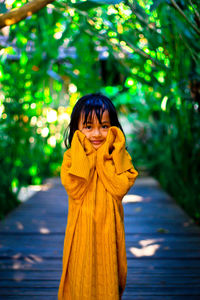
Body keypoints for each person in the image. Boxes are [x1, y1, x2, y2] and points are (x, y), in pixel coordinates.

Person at [58, 93, 138, 300]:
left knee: (109, 276)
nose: (97, 134)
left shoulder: (118, 157)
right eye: (88, 126)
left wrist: (103, 157)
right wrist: (90, 157)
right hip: (80, 234)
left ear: (113, 129)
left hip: (109, 231)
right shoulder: (71, 158)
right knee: (79, 277)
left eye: (104, 126)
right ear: (77, 130)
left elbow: (120, 187)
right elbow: (76, 188)